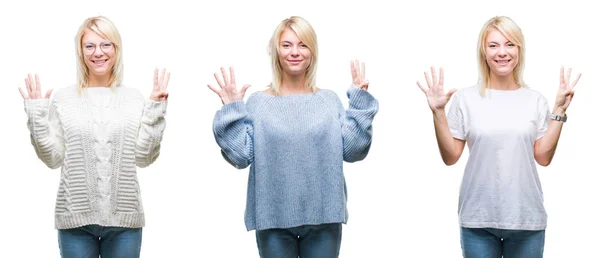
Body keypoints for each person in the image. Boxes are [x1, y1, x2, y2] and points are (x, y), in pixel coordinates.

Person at [208, 16, 379, 258]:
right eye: (287, 45)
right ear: (276, 51)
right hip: (273, 218)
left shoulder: (329, 101)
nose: (295, 52)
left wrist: (360, 104)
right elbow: (240, 157)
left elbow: (354, 151)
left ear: (312, 51)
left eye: (303, 45)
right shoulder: (258, 103)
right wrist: (231, 109)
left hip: (324, 216)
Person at [416, 16, 581, 258]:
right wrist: (438, 112)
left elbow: (543, 157)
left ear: (519, 50)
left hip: (526, 219)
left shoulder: (535, 100)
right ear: (483, 52)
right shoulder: (466, 99)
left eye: (509, 44)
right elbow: (450, 156)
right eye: (493, 45)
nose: (502, 52)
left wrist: (559, 110)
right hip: (478, 219)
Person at [18, 16, 170, 258]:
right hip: (75, 221)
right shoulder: (64, 98)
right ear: (81, 51)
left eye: (106, 44)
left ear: (116, 49)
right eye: (90, 46)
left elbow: (143, 158)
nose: (98, 52)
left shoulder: (134, 98)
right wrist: (36, 117)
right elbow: (53, 159)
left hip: (124, 222)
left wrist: (156, 111)